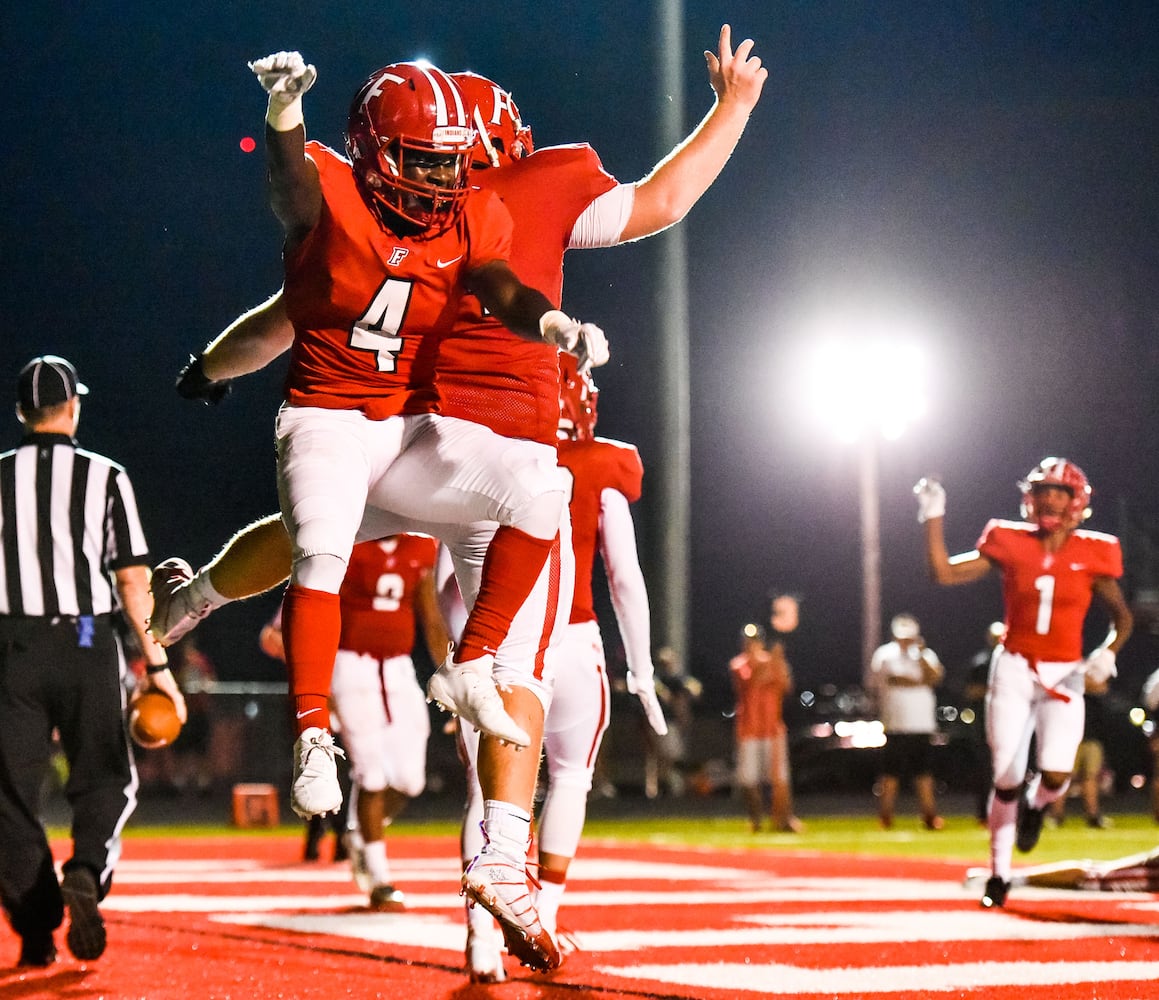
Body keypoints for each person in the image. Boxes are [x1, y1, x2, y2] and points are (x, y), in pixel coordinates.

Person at [151, 27, 766, 973]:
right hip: (435, 439)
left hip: (439, 452)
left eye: (452, 153)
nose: (451, 169)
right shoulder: (465, 196)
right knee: (440, 594)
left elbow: (287, 315)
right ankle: (494, 851)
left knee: (361, 558)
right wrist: (731, 109)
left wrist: (209, 365)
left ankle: (493, 860)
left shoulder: (496, 196)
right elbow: (659, 202)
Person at [457, 352, 668, 977]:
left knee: (484, 789)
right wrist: (643, 671)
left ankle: (481, 941)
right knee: (571, 777)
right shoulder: (602, 466)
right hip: (572, 639)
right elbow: (625, 579)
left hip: (495, 642)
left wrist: (461, 657)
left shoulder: (481, 458)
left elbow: (447, 582)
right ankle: (543, 914)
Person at [0, 356, 186, 967]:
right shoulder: (105, 476)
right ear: (73, 407)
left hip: (11, 649)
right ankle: (84, 868)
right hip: (85, 640)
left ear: (21, 414)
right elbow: (134, 582)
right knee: (106, 777)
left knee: (11, 796)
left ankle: (34, 927)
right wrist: (157, 669)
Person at [915, 457, 1133, 909]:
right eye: (1043, 492)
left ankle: (1037, 805)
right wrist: (932, 515)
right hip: (1014, 665)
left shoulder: (1096, 550)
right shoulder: (1009, 540)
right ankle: (1000, 874)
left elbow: (1122, 619)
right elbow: (943, 572)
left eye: (1060, 492)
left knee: (1057, 774)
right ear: (1029, 498)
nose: (1050, 500)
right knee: (1007, 775)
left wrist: (1107, 654)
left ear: (1077, 501)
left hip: (1066, 672)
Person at [258, 606, 352, 862]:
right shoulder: (311, 589)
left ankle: (335, 834)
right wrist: (304, 659)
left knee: (340, 770)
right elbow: (269, 637)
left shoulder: (356, 593)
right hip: (315, 695)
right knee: (315, 766)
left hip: (348, 689)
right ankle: (327, 834)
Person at [864, 613, 945, 830]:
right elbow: (891, 679)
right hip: (896, 723)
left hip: (922, 724)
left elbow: (935, 677)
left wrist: (920, 658)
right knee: (890, 773)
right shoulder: (885, 654)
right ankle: (885, 816)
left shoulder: (926, 655)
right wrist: (916, 681)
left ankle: (929, 816)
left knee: (924, 773)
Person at [728, 622, 801, 833]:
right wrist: (772, 662)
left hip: (772, 727)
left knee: (780, 778)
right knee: (748, 780)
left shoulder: (774, 661)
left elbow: (786, 686)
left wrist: (776, 662)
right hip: (749, 728)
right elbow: (750, 682)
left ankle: (783, 819)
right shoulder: (739, 663)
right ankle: (756, 820)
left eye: (754, 640)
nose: (751, 645)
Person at [1048, 674, 1111, 829]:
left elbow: (1103, 687)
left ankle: (1093, 815)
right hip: (1069, 736)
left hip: (1091, 736)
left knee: (1091, 778)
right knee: (1063, 776)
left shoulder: (1084, 678)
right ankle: (1056, 816)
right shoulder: (1066, 678)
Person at [964, 621, 1004, 823]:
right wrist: (998, 690)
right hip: (984, 725)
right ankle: (984, 814)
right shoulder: (981, 662)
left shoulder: (1013, 661)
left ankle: (1011, 813)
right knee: (985, 772)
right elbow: (971, 692)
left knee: (1013, 771)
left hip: (1009, 725)